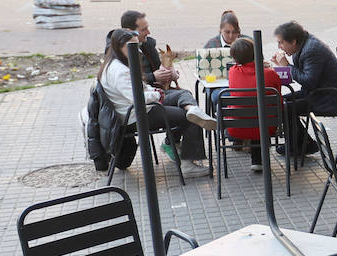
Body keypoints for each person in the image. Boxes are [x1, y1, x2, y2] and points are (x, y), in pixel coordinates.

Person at [99, 28, 213, 164]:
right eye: (133, 47)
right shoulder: (119, 71)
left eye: (138, 46)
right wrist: (156, 94)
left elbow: (140, 89)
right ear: (120, 46)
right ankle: (189, 163)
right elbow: (137, 98)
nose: (139, 51)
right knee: (190, 119)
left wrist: (153, 91)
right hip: (138, 115)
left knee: (183, 94)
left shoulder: (116, 63)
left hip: (142, 107)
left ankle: (193, 109)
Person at [226, 36, 283, 171]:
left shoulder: (232, 72)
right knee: (261, 114)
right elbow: (278, 99)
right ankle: (258, 160)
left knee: (251, 113)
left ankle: (239, 146)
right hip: (267, 127)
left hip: (236, 127)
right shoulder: (270, 74)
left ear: (234, 58)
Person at [119, 10, 195, 111]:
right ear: (129, 31)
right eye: (144, 29)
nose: (148, 32)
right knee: (185, 105)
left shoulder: (148, 45)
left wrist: (170, 74)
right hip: (144, 103)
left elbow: (159, 69)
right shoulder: (121, 53)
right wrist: (153, 77)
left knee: (186, 98)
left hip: (154, 94)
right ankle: (195, 114)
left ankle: (194, 114)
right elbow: (130, 84)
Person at [272, 21, 337, 117]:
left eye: (281, 43)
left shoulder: (312, 50)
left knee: (281, 108)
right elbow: (303, 75)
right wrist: (282, 66)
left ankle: (298, 133)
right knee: (276, 103)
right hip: (318, 93)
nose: (279, 47)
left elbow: (308, 82)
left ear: (293, 41)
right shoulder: (302, 43)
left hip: (330, 100)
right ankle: (298, 132)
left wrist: (287, 66)